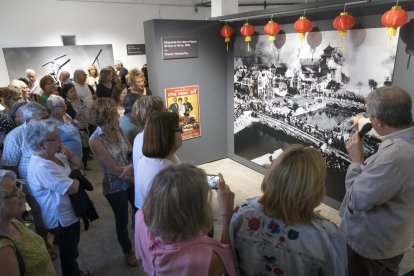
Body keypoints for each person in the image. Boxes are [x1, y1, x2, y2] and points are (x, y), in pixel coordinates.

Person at [230, 144, 347, 275]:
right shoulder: (327, 237)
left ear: (272, 175)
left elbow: (230, 261)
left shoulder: (244, 213)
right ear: (316, 189)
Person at [341, 86, 414, 276]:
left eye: (370, 117)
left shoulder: (396, 157)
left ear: (379, 122)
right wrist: (361, 120)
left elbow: (356, 199)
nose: (368, 120)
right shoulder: (406, 133)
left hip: (371, 247)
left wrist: (356, 160)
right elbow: (386, 129)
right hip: (396, 239)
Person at [134, 163, 236, 276]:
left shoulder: (140, 216)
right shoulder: (204, 258)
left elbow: (139, 257)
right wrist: (227, 215)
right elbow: (224, 264)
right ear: (195, 212)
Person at [25, 119, 89, 276]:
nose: (60, 140)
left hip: (70, 213)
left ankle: (75, 271)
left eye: (58, 135)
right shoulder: (41, 167)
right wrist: (78, 175)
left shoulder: (56, 154)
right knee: (69, 254)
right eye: (55, 137)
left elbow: (80, 165)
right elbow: (73, 188)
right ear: (41, 144)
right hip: (61, 220)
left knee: (72, 249)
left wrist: (72, 157)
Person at [1, 102, 57, 260]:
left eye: (47, 116)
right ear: (28, 119)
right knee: (40, 217)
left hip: (53, 179)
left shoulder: (48, 129)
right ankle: (45, 242)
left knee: (55, 211)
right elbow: (10, 168)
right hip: (32, 188)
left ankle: (58, 234)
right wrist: (17, 192)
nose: (46, 120)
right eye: (42, 118)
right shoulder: (15, 137)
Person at [88, 98, 138, 267]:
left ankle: (140, 240)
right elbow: (115, 169)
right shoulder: (95, 140)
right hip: (115, 186)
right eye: (115, 113)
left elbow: (131, 151)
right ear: (107, 117)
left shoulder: (118, 129)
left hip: (131, 177)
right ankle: (128, 251)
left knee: (139, 213)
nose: (119, 114)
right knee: (122, 220)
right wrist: (133, 175)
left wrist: (132, 167)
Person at [0, 169, 55, 276]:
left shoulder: (12, 220)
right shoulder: (3, 250)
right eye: (14, 192)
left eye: (18, 186)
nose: (23, 194)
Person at [134, 111, 181, 209]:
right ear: (168, 135)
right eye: (179, 129)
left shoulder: (144, 159)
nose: (182, 133)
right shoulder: (168, 170)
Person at [61, 84, 90, 169]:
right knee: (81, 147)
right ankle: (81, 166)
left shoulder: (80, 100)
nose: (74, 93)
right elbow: (70, 118)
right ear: (66, 94)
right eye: (71, 92)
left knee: (85, 147)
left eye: (74, 90)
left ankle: (84, 164)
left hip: (85, 125)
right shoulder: (68, 105)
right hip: (77, 129)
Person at [48, 95, 83, 162]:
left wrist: (75, 123)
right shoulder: (51, 123)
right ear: (53, 109)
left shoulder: (66, 115)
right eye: (62, 106)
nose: (66, 108)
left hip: (78, 154)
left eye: (65, 105)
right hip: (67, 158)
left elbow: (71, 127)